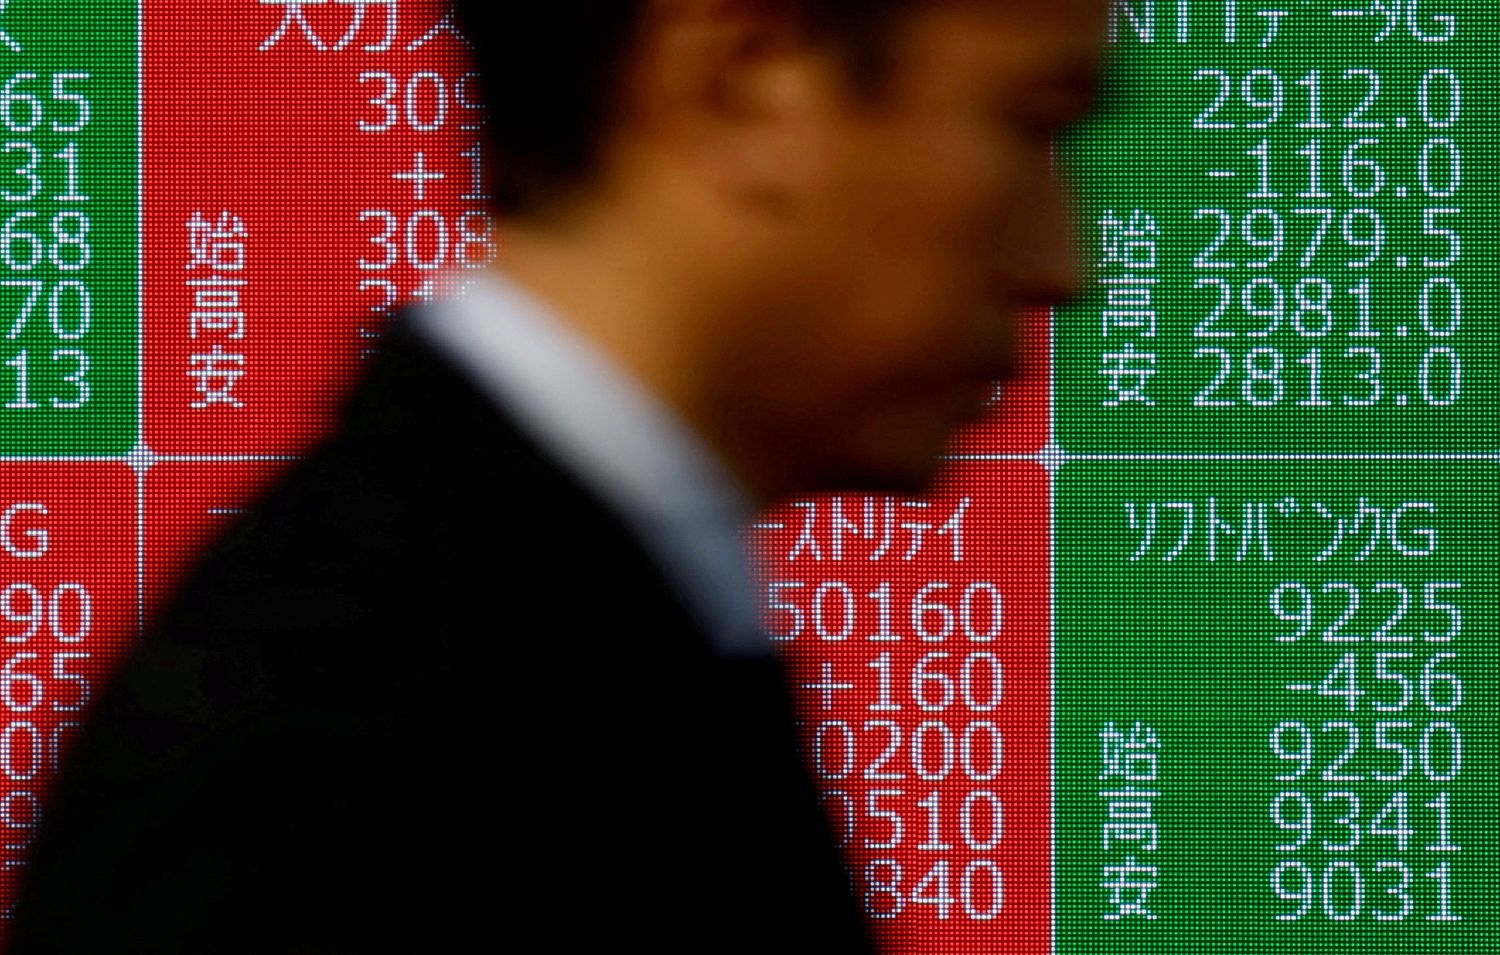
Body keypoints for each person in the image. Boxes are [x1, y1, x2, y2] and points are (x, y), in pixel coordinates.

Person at [10, 1, 1105, 951]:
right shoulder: (351, 757)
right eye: (1030, 124)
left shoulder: (504, 646)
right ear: (739, 79)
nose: (1066, 266)